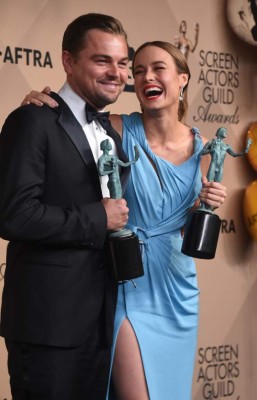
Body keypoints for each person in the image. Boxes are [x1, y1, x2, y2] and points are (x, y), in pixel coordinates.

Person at [20, 40, 227, 399]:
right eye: (139, 70)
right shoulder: (114, 128)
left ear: (183, 79)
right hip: (128, 279)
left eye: (158, 68)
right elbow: (63, 125)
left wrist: (204, 207)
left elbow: (182, 226)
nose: (146, 76)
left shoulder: (204, 148)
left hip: (177, 285)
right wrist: (35, 105)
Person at [0, 13, 131, 400]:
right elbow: (14, 215)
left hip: (100, 319)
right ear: (68, 61)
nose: (116, 73)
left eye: (122, 62)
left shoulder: (109, 131)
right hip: (47, 325)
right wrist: (98, 217)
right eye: (102, 60)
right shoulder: (31, 121)